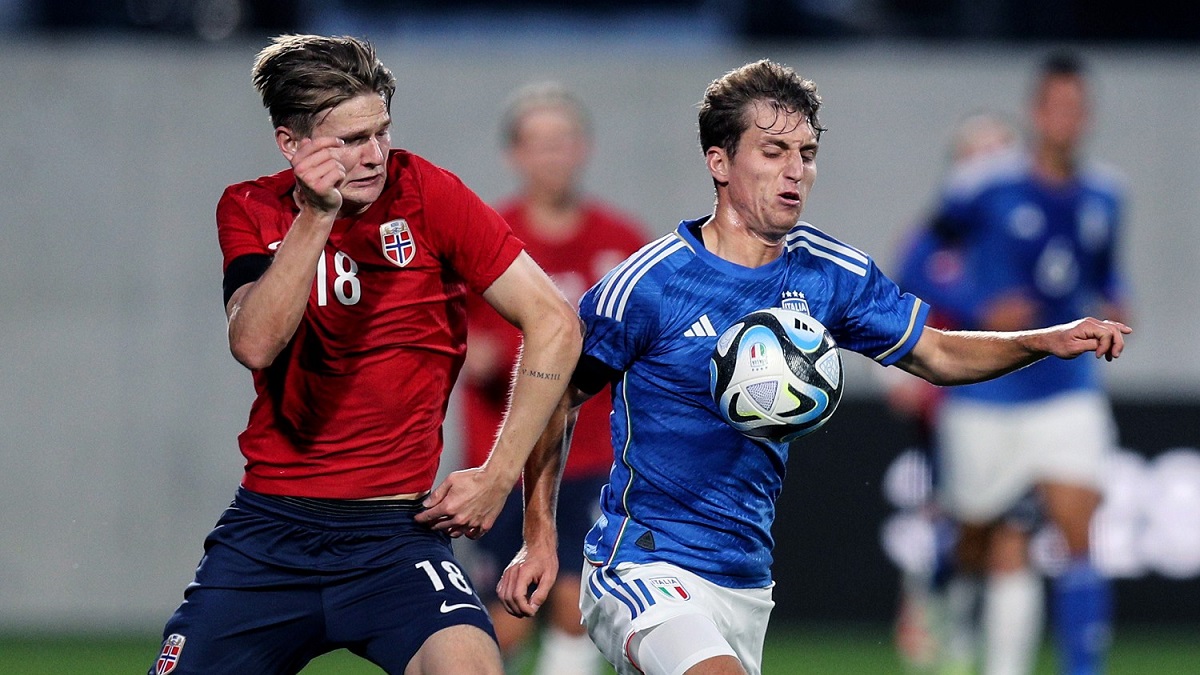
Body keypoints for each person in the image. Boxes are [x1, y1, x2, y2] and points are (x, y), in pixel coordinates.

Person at [494, 59, 1131, 675]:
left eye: (806, 153)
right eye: (773, 152)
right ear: (719, 162)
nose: (795, 171)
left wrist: (1045, 339)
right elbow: (556, 391)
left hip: (744, 579)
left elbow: (936, 353)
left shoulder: (831, 273)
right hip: (642, 567)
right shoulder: (648, 283)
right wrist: (539, 534)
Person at [150, 34, 581, 675]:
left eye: (380, 131)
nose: (375, 155)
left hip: (396, 538)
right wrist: (315, 217)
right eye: (349, 140)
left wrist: (498, 478)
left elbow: (556, 325)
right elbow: (254, 342)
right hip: (269, 533)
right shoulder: (251, 207)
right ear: (291, 144)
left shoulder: (426, 192)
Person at [929, 51, 1127, 675]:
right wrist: (975, 306)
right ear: (1037, 111)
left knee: (1076, 532)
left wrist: (1119, 301)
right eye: (1055, 105)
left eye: (1076, 106)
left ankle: (1080, 667)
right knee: (979, 539)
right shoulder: (983, 185)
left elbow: (1101, 271)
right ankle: (953, 593)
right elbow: (918, 261)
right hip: (988, 390)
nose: (1065, 118)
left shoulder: (1105, 195)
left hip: (1067, 386)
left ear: (1086, 115)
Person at [460, 81, 647, 674]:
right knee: (506, 616)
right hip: (506, 458)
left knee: (576, 602)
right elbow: (439, 328)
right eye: (538, 144)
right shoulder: (484, 237)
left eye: (563, 141)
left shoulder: (621, 243)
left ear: (583, 148)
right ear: (514, 154)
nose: (553, 156)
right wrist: (470, 353)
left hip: (595, 455)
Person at [884, 112, 1020, 672]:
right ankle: (942, 608)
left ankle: (991, 653)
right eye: (977, 158)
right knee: (966, 527)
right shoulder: (931, 242)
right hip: (956, 404)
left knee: (1013, 532)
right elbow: (893, 313)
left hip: (1025, 404)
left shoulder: (1027, 238)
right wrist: (894, 375)